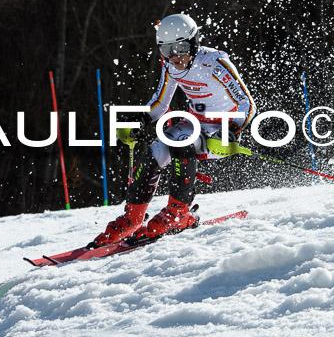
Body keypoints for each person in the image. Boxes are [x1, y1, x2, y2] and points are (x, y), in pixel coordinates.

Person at [90, 13, 256, 247]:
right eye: (166, 50)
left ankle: (177, 213)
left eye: (180, 47)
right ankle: (133, 217)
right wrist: (139, 119)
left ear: (194, 41)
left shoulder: (215, 62)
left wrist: (230, 132)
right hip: (195, 124)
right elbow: (160, 103)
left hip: (222, 131)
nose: (175, 56)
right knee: (156, 149)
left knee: (182, 143)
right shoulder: (171, 66)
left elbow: (247, 104)